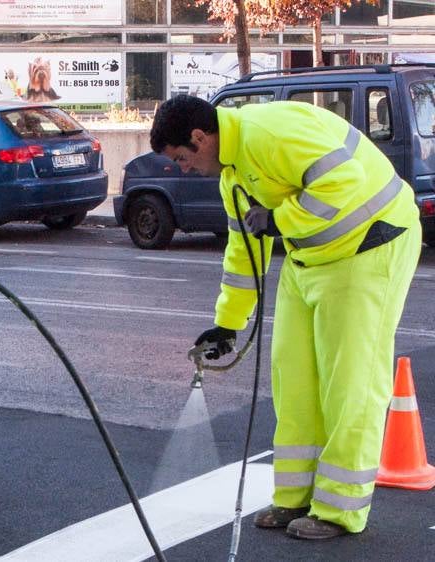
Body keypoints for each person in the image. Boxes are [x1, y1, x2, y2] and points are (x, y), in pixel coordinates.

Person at [150, 95, 421, 540]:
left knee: (350, 383)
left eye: (182, 158)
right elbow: (244, 251)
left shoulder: (270, 133)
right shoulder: (233, 174)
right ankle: (294, 497)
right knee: (292, 379)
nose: (183, 168)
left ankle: (338, 510)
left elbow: (344, 183)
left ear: (200, 138)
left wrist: (280, 218)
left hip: (370, 247)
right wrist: (228, 324)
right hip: (309, 259)